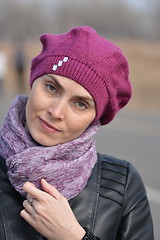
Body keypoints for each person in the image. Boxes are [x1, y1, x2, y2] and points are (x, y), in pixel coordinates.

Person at [0, 26, 154, 240]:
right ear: (33, 82)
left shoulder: (122, 185)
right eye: (52, 88)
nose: (56, 112)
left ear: (95, 118)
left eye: (80, 104)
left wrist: (73, 237)